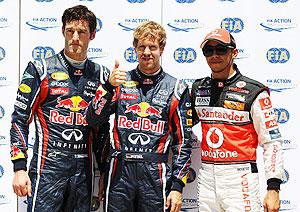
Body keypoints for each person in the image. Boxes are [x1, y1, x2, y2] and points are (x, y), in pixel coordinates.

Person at [10, 5, 110, 212]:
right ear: (62, 31)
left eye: (81, 32)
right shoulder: (40, 69)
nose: (75, 37)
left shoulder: (101, 75)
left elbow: (102, 131)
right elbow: (20, 119)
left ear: (92, 35)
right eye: (70, 31)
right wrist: (19, 168)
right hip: (48, 169)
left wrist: (105, 172)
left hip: (83, 172)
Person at [86, 21, 192, 212]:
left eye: (152, 47)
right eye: (141, 47)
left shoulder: (177, 88)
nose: (147, 52)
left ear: (162, 49)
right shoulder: (118, 82)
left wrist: (177, 186)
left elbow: (182, 142)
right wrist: (108, 88)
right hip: (120, 170)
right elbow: (93, 119)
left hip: (155, 173)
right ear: (134, 49)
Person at [191, 28, 284, 211]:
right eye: (208, 51)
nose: (214, 55)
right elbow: (179, 127)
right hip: (207, 179)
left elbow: (272, 141)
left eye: (221, 49)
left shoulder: (254, 91)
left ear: (234, 53)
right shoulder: (198, 88)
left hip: (240, 178)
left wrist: (273, 188)